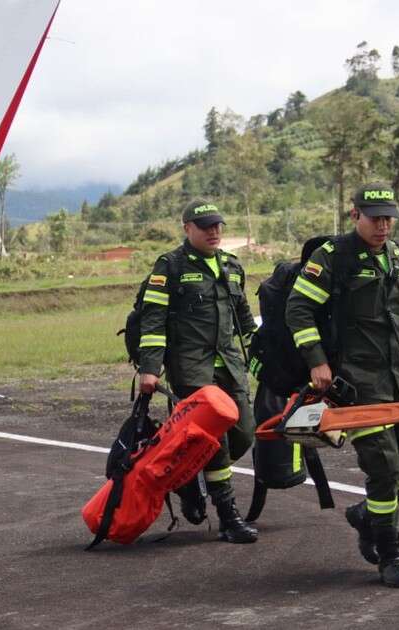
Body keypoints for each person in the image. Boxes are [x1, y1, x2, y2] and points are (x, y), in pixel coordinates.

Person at [285, 182, 399, 588]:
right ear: (354, 215)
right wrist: (317, 361)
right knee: (383, 466)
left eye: (388, 218)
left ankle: (366, 515)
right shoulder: (332, 257)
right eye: (375, 217)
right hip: (358, 383)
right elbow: (298, 308)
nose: (383, 225)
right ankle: (390, 554)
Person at [135, 199, 259, 544]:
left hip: (231, 366)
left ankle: (189, 476)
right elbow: (153, 320)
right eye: (205, 226)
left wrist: (264, 354)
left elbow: (246, 322)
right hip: (191, 368)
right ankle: (229, 517)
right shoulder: (170, 267)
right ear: (187, 228)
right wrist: (150, 369)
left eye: (218, 225)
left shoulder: (232, 267)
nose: (214, 231)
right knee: (213, 440)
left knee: (245, 432)